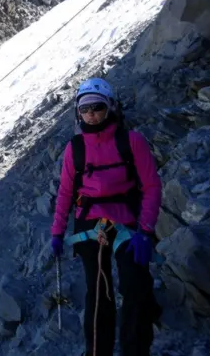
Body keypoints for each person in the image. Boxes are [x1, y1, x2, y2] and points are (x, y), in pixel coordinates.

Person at [50, 78, 163, 356]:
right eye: (85, 109)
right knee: (99, 294)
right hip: (90, 222)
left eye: (97, 107)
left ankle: (135, 350)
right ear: (78, 112)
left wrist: (145, 231)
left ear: (110, 106)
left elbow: (151, 186)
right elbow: (65, 192)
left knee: (135, 287)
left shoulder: (131, 142)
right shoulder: (74, 148)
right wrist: (56, 232)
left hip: (127, 221)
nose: (91, 114)